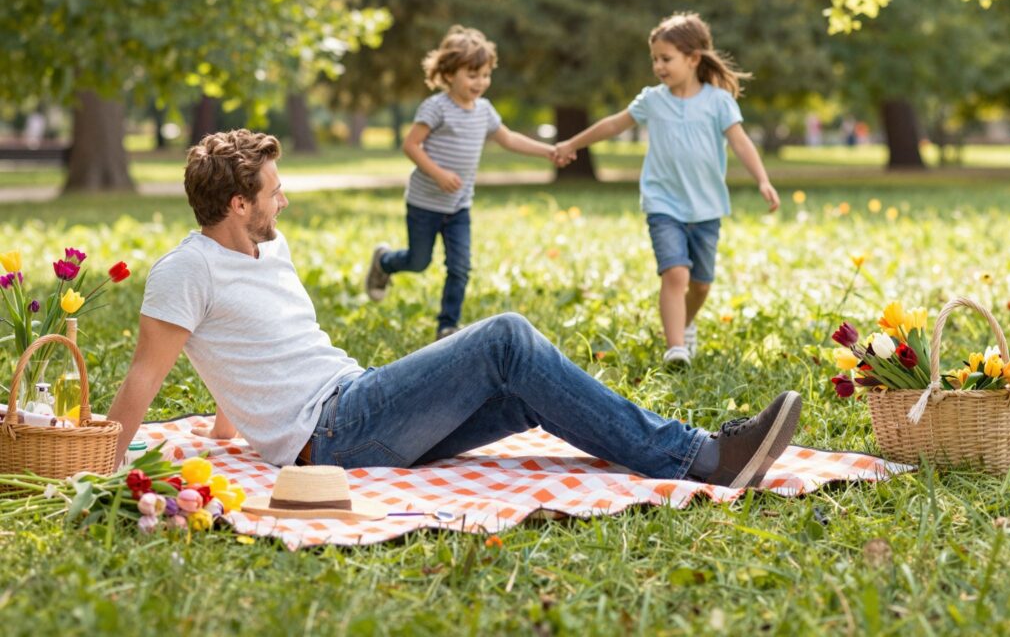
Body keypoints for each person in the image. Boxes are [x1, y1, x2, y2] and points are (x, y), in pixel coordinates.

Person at [107, 129, 802, 490]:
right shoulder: (184, 272)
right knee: (506, 338)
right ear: (237, 204)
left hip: (353, 404)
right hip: (333, 436)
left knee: (528, 388)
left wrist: (236, 430)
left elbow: (250, 349)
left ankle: (685, 456)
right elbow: (145, 375)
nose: (281, 199)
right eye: (272, 191)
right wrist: (91, 469)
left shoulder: (268, 246)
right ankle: (702, 456)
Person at [553, 12, 780, 366]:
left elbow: (741, 142)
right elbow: (614, 124)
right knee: (675, 273)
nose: (659, 66)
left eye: (666, 58)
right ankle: (675, 348)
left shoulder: (718, 102)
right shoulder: (652, 100)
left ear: (693, 59)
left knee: (701, 284)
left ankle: (685, 325)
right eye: (655, 59)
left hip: (706, 207)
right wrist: (573, 143)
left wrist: (763, 180)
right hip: (663, 203)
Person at [364, 25, 555, 341]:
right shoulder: (436, 107)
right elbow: (411, 145)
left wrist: (547, 151)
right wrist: (437, 173)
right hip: (425, 203)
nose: (480, 82)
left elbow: (508, 138)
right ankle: (384, 261)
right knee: (418, 261)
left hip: (459, 205)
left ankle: (447, 326)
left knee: (460, 267)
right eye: (472, 75)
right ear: (449, 74)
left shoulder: (484, 110)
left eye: (485, 74)